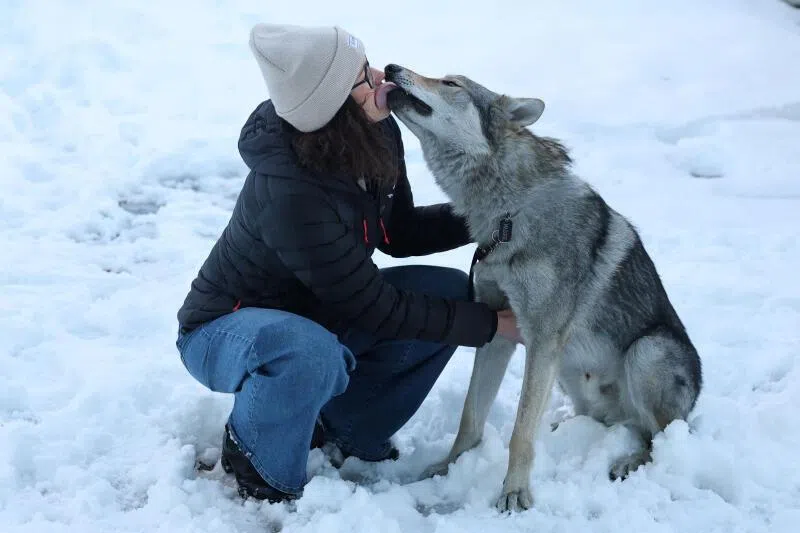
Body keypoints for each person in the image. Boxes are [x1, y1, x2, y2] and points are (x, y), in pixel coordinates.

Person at [175, 23, 521, 503]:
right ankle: (259, 462)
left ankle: (346, 429)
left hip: (314, 314)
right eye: (362, 76)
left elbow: (397, 234)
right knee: (308, 352)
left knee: (450, 296)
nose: (381, 77)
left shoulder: (374, 133)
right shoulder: (291, 194)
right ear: (333, 106)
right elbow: (376, 308)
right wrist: (493, 325)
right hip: (224, 330)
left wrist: (487, 214)